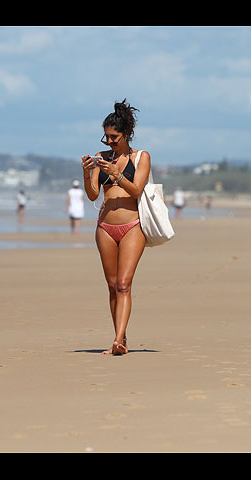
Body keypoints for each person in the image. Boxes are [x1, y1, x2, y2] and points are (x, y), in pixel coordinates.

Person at [81, 99, 150, 356]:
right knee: (112, 285)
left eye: (114, 137)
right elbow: (92, 195)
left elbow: (136, 189)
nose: (109, 142)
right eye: (106, 137)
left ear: (126, 134)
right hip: (105, 227)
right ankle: (120, 338)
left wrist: (118, 174)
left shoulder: (141, 157)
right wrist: (87, 174)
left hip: (132, 226)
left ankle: (119, 340)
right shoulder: (101, 158)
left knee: (124, 284)